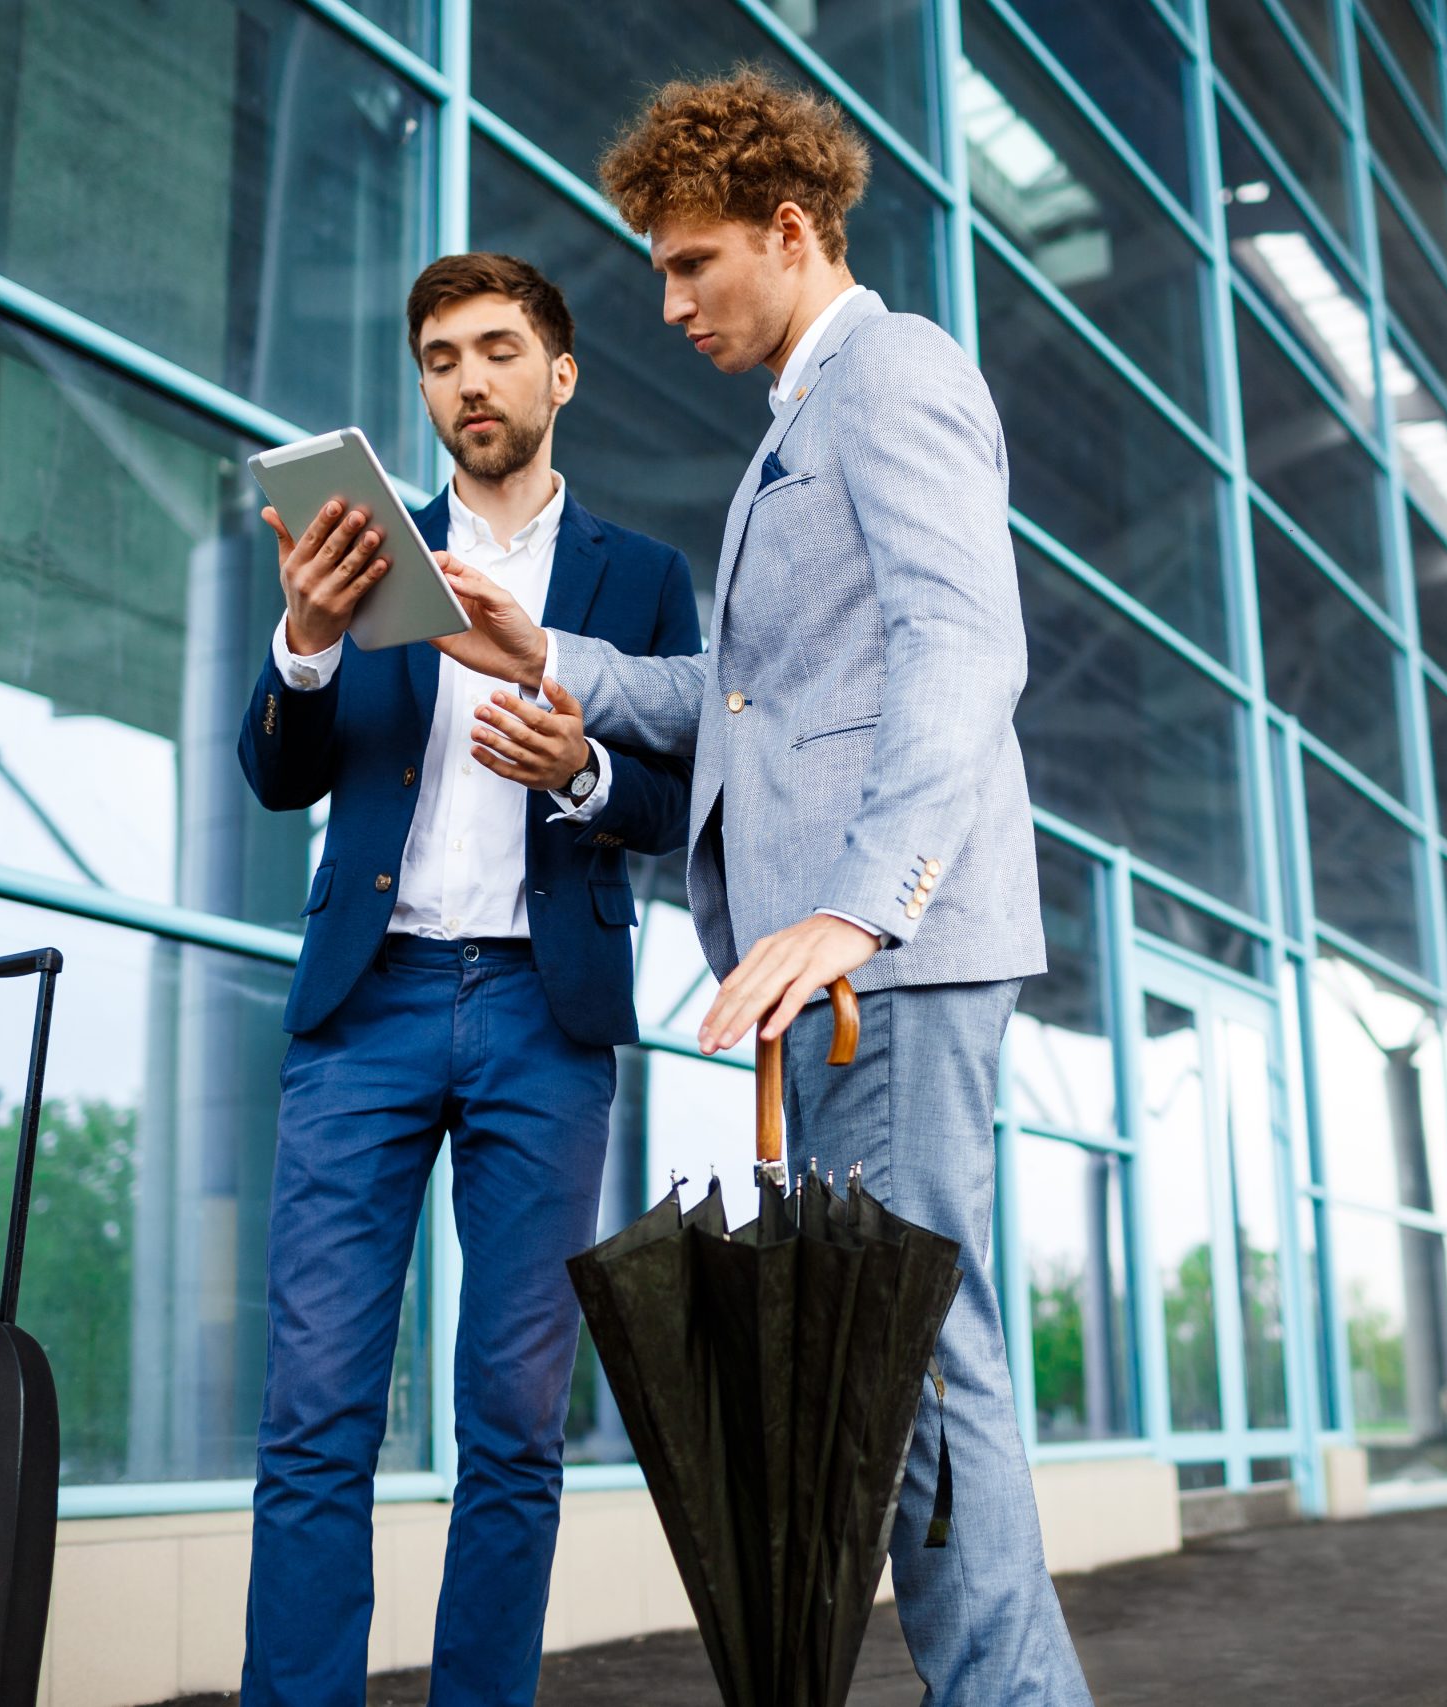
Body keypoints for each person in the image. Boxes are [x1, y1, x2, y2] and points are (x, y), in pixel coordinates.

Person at [433, 70, 1093, 1707]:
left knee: (918, 1365)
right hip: (849, 972)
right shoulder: (803, 423)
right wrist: (560, 658)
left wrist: (862, 905)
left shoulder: (890, 376)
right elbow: (751, 699)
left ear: (789, 233)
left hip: (893, 961)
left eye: (690, 265)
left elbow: (966, 646)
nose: (665, 305)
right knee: (913, 1361)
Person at [236, 251, 700, 1707]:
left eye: (498, 350)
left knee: (512, 1421)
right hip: (364, 1011)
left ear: (559, 376)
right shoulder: (366, 553)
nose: (468, 380)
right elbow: (276, 773)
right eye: (441, 358)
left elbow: (691, 806)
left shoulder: (641, 579)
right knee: (316, 1409)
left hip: (541, 1020)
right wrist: (305, 648)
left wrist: (589, 771)